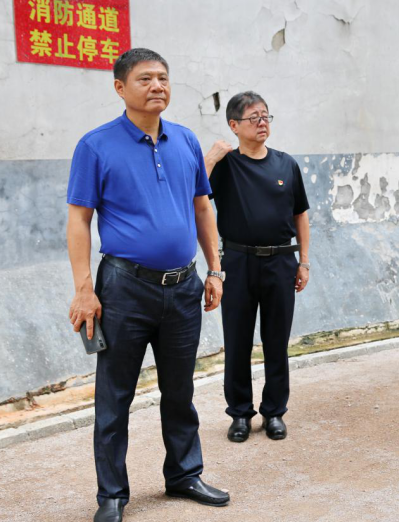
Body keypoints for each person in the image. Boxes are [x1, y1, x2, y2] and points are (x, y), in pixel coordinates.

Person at [66, 48, 230, 522]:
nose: (156, 86)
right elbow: (79, 221)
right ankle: (112, 496)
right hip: (123, 288)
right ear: (120, 88)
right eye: (144, 79)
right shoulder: (95, 146)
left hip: (183, 287)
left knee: (180, 389)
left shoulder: (184, 141)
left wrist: (214, 269)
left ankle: (184, 473)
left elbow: (202, 207)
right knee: (115, 395)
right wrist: (83, 288)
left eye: (162, 78)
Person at [203, 91, 310, 444]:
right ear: (234, 125)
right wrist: (210, 159)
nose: (262, 122)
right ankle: (240, 414)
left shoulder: (285, 164)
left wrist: (304, 261)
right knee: (237, 341)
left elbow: (300, 215)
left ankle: (274, 412)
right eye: (253, 117)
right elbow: (193, 196)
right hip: (237, 261)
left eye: (266, 116)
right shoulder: (226, 165)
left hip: (281, 261)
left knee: (276, 341)